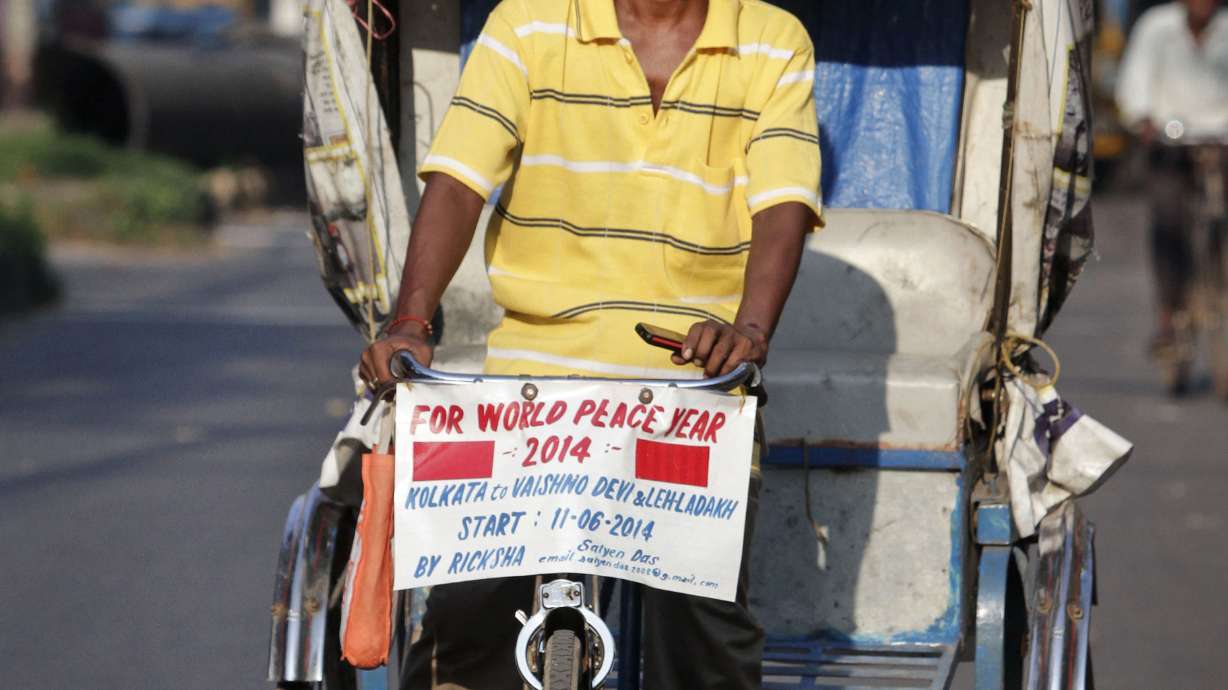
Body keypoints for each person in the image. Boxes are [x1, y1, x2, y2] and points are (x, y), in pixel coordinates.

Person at [359, 0, 821, 685]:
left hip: (693, 387)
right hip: (529, 385)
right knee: (466, 609)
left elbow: (783, 203)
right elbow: (458, 181)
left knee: (701, 619)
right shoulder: (527, 22)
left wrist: (749, 332)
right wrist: (410, 322)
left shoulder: (772, 39)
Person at [1115, 0, 1228, 359]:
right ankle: (1169, 314)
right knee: (1168, 223)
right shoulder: (1158, 27)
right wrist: (1143, 117)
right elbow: (1135, 81)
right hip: (1171, 143)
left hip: (1221, 140)